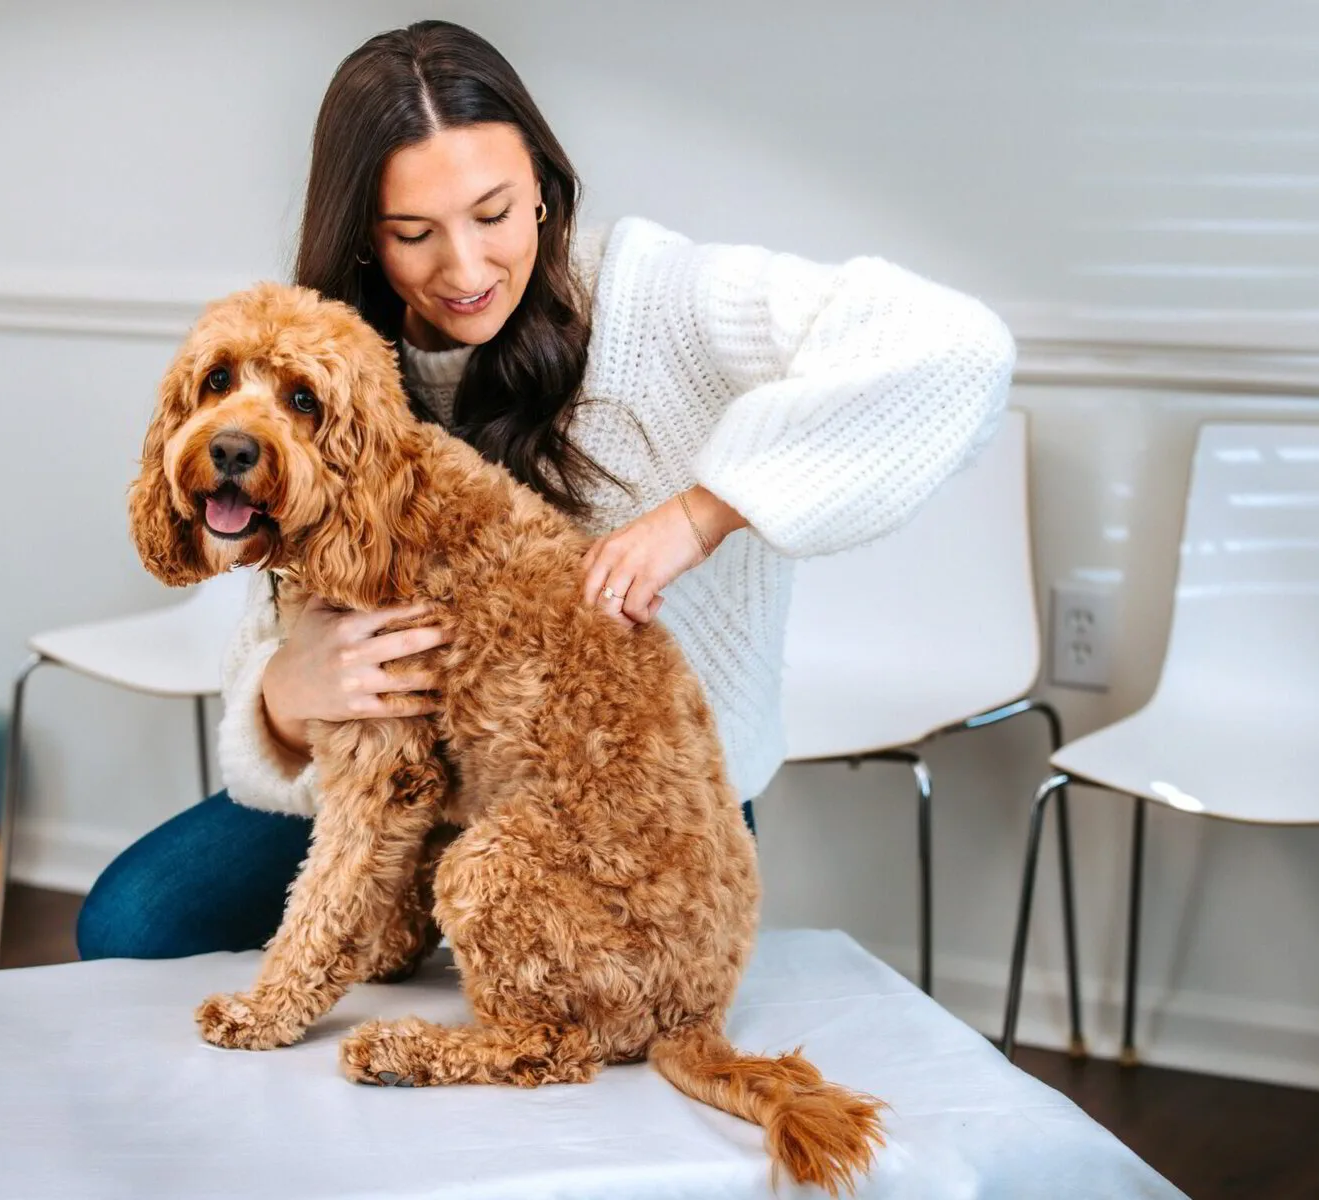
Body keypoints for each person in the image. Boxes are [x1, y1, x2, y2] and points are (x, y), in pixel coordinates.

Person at [75, 18, 1015, 959]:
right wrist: (286, 695)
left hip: (622, 798)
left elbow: (952, 346)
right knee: (130, 922)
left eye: (494, 213)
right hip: (396, 774)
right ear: (365, 235)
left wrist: (701, 515)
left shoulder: (659, 293)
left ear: (544, 191)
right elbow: (272, 633)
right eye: (414, 234)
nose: (467, 270)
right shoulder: (328, 360)